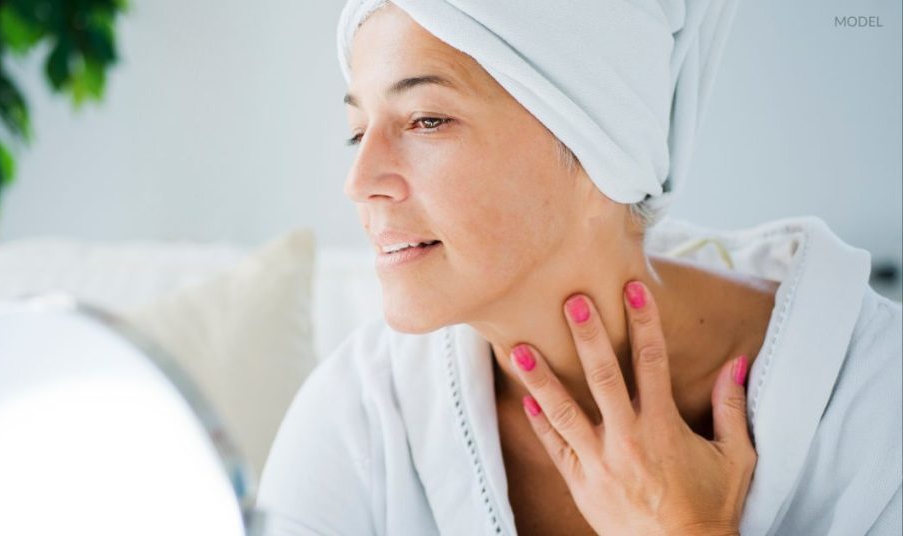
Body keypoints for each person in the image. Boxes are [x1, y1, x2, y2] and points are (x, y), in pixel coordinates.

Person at [256, 1, 903, 535]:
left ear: (603, 150)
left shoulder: (878, 407)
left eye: (427, 120)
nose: (359, 180)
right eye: (356, 129)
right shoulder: (359, 415)